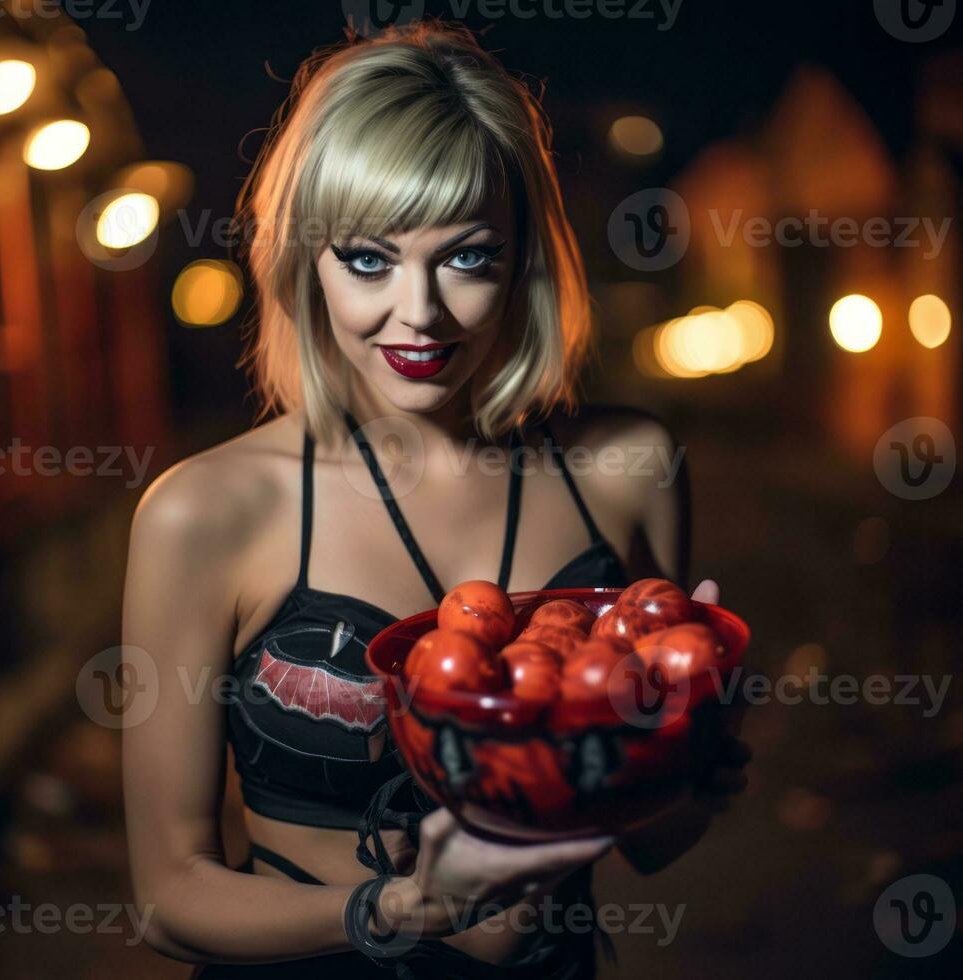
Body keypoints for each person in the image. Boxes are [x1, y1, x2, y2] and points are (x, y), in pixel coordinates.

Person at [121, 18, 749, 979]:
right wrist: (401, 908)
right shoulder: (203, 512)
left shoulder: (630, 467)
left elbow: (654, 841)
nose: (419, 313)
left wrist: (696, 744)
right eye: (368, 259)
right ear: (304, 262)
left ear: (524, 259)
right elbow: (170, 899)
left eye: (468, 256)